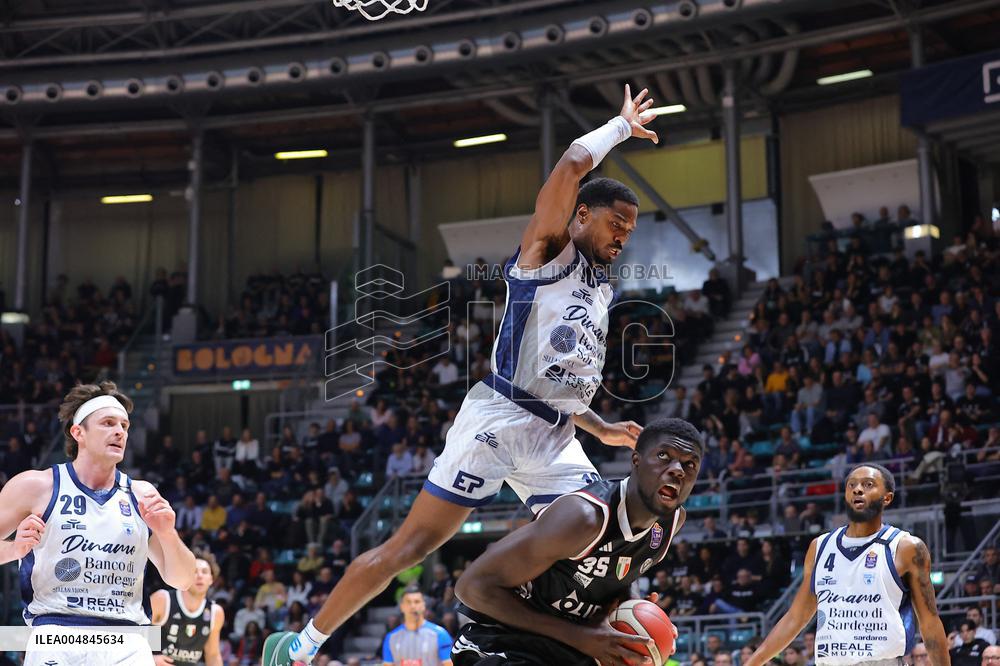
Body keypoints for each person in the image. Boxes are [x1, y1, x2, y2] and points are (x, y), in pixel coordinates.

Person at [263, 83, 660, 664]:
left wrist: (600, 429)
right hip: (497, 421)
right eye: (615, 223)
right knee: (411, 548)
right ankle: (301, 647)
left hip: (556, 436)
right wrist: (620, 127)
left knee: (601, 533)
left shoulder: (601, 288)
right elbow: (574, 162)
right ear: (580, 216)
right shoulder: (548, 249)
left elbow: (561, 377)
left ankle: (546, 642)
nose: (624, 236)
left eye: (631, 229)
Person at [449, 418, 700, 666]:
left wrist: (634, 610)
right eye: (664, 456)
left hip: (570, 648)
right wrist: (579, 636)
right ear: (636, 460)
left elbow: (621, 567)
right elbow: (472, 587)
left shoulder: (670, 522)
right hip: (507, 640)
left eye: (690, 465)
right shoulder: (584, 518)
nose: (678, 469)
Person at [0, 382, 196, 665]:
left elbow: (183, 579)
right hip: (57, 634)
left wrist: (168, 534)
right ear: (78, 432)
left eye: (125, 426)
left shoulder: (142, 495)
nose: (120, 432)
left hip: (126, 638)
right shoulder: (37, 486)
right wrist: (13, 550)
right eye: (108, 423)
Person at [745, 464, 949, 666]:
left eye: (868, 484)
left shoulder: (906, 547)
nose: (858, 489)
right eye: (852, 485)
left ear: (887, 498)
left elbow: (929, 623)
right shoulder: (820, 547)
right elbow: (795, 618)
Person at [150, 553, 226, 666]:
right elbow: (136, 633)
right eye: (194, 571)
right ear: (184, 575)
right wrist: (151, 657)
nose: (200, 576)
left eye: (204, 572)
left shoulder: (215, 612)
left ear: (211, 579)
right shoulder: (164, 600)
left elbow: (212, 654)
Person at [381, 587, 453, 666]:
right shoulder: (391, 638)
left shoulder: (440, 635)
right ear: (401, 607)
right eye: (408, 602)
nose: (413, 606)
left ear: (423, 605)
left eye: (417, 602)